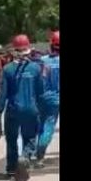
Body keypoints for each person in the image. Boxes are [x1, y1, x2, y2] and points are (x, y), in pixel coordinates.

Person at [0, 34, 44, 181]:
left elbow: (3, 95)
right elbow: (40, 92)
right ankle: (25, 156)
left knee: (11, 140)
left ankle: (11, 169)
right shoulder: (35, 68)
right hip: (31, 109)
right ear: (29, 49)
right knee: (30, 138)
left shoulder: (7, 69)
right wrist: (40, 110)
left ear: (13, 50)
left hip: (13, 109)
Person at [36, 31, 60, 167]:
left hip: (42, 97)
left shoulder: (42, 61)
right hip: (56, 99)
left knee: (41, 124)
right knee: (49, 125)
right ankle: (40, 151)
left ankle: (34, 149)